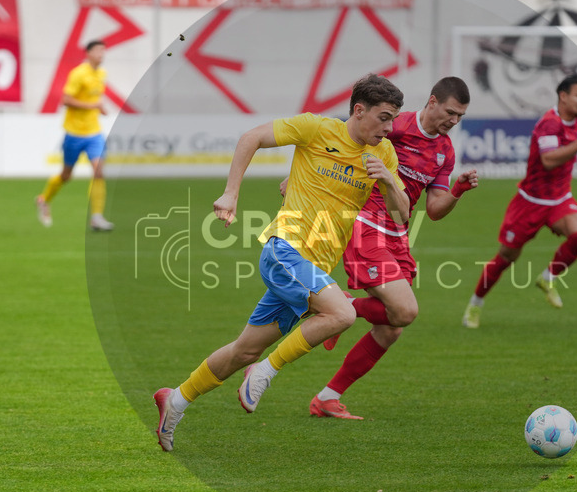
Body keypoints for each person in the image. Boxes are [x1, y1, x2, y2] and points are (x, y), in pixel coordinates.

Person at [151, 74, 409, 452]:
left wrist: (388, 181)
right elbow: (251, 137)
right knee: (342, 314)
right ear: (359, 110)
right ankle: (265, 372)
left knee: (243, 351)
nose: (389, 128)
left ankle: (175, 400)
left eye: (393, 120)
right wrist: (231, 193)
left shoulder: (384, 155)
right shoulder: (315, 129)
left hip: (313, 270)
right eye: (384, 118)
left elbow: (401, 215)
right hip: (285, 250)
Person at [303, 77, 477, 420]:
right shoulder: (394, 125)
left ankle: (327, 397)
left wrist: (457, 191)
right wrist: (304, 175)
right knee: (405, 311)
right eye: (450, 112)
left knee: (392, 326)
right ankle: (339, 306)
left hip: (398, 232)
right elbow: (343, 139)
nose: (454, 121)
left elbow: (435, 209)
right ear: (432, 102)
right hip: (365, 223)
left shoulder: (445, 151)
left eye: (460, 116)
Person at [462, 73, 577, 328]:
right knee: (506, 257)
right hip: (529, 203)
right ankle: (475, 304)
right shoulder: (549, 124)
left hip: (560, 199)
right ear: (563, 96)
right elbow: (548, 161)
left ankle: (548, 278)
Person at [35, 40, 113, 231]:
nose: (101, 54)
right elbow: (66, 100)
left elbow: (94, 98)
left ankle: (96, 217)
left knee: (98, 171)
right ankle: (44, 199)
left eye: (103, 51)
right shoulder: (78, 74)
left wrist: (99, 107)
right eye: (98, 51)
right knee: (66, 175)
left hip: (94, 132)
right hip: (74, 133)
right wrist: (93, 105)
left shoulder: (102, 74)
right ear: (88, 53)